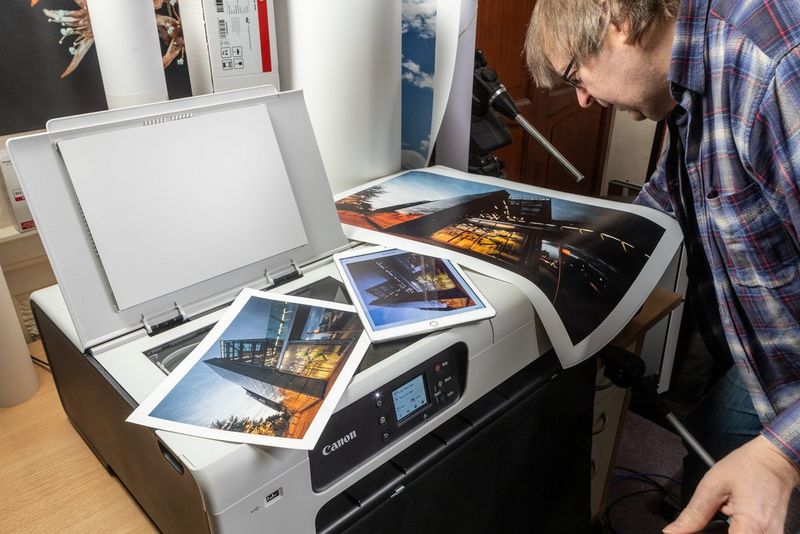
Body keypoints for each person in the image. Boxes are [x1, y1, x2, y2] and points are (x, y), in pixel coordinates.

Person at [525, 1, 800, 533]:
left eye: (574, 75)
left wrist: (781, 455)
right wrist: (573, 247)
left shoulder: (776, 68)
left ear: (616, 19)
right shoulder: (690, 82)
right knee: (713, 454)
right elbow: (673, 195)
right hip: (767, 357)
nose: (581, 99)